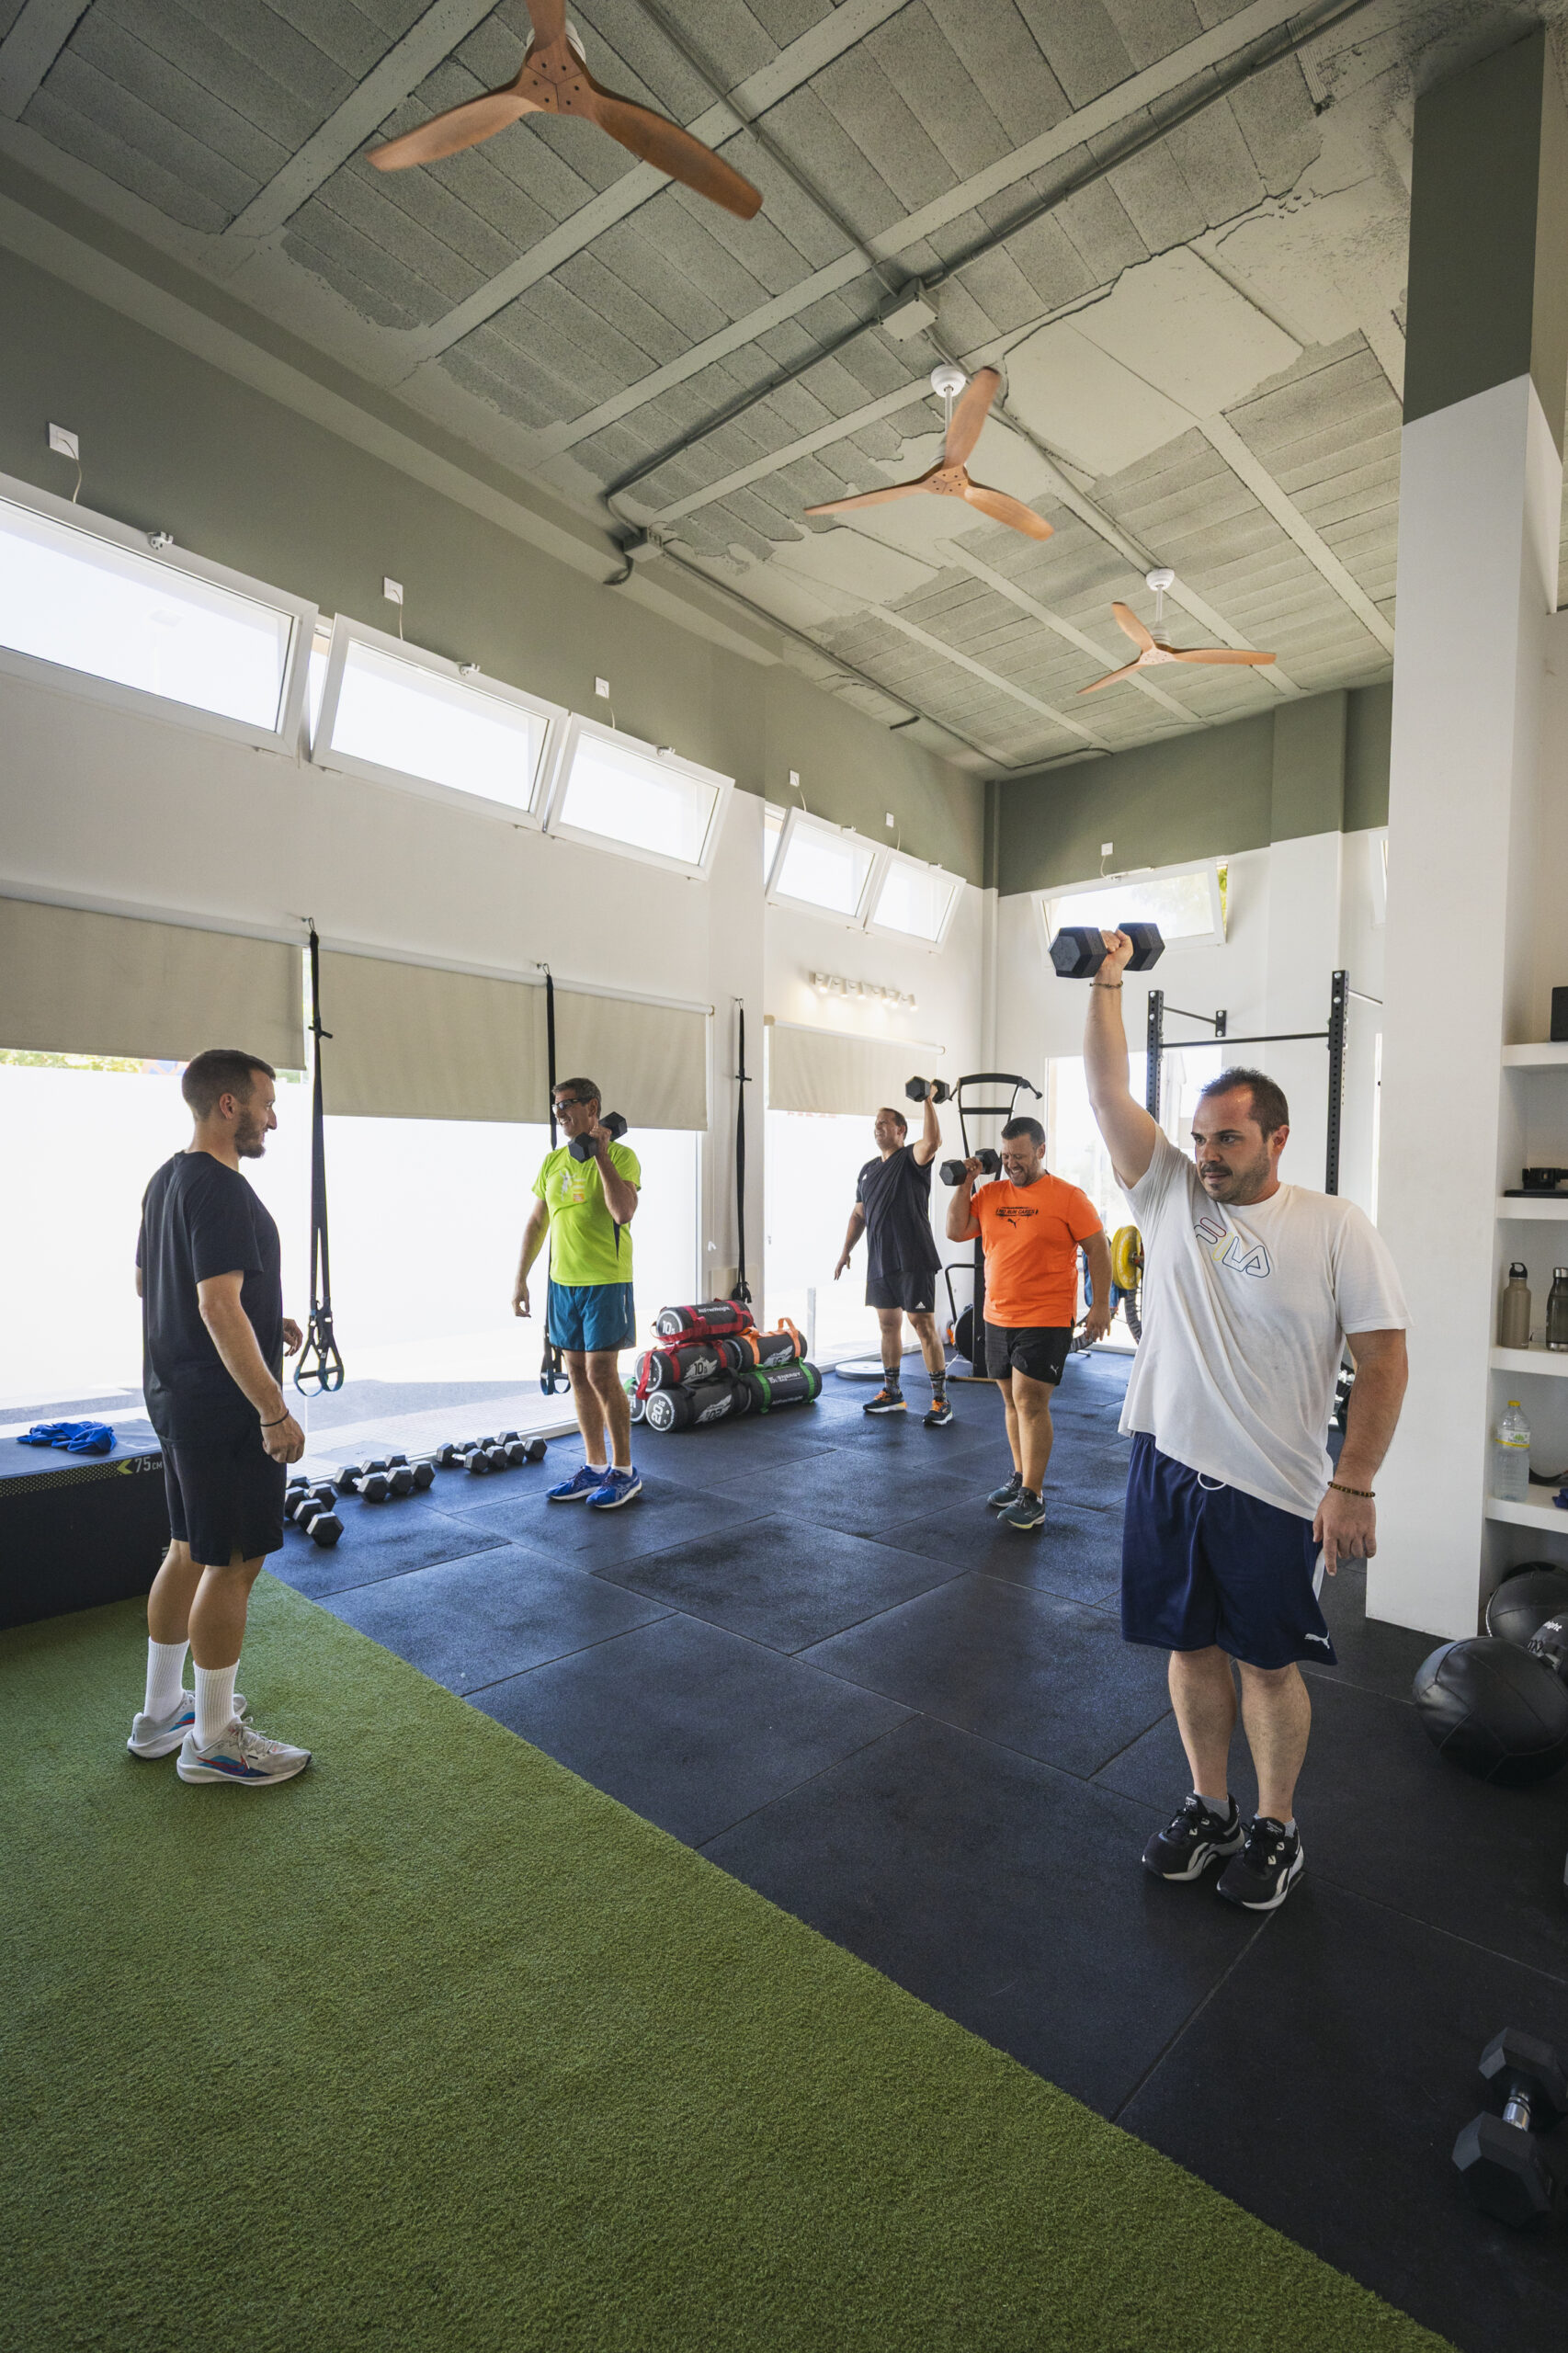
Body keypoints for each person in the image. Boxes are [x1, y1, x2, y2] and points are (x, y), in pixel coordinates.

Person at [1083, 927, 1409, 1911]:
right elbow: (1104, 1095)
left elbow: (1384, 1358)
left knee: (1266, 1665)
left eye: (1227, 1137)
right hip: (1166, 1464)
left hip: (1272, 1486)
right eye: (1198, 1134)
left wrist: (1351, 1482)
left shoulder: (1334, 1225)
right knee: (1186, 1650)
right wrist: (1106, 977)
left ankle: (1274, 1824)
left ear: (1275, 1139)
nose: (1206, 1152)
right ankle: (1207, 1804)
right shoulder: (1169, 1189)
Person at [127, 1049, 312, 1788]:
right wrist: (273, 1408)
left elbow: (153, 1281)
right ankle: (213, 1742)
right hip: (225, 1407)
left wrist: (269, 1320)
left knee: (187, 1549)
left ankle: (161, 1715)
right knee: (235, 1563)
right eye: (266, 1102)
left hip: (174, 1393)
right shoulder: (225, 1188)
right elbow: (214, 1301)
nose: (273, 1116)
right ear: (229, 1105)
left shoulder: (166, 1179)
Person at [946, 1117, 1112, 1530]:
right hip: (997, 1315)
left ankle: (1034, 1497)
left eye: (1019, 1156)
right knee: (1009, 1401)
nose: (1011, 1164)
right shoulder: (990, 1194)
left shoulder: (1069, 1198)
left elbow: (1098, 1250)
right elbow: (954, 1230)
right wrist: (965, 1181)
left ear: (1040, 1150)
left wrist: (1101, 1306)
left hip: (1047, 1316)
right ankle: (1021, 1478)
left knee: (1030, 1402)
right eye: (1005, 1157)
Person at [514, 1077, 642, 1509]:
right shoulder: (552, 1162)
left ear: (594, 1107)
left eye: (568, 1105)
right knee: (577, 1375)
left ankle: (624, 1472)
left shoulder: (622, 1156)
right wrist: (521, 1278)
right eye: (556, 1108)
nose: (561, 1113)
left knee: (602, 1373)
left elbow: (623, 1212)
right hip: (562, 1285)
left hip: (606, 1281)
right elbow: (537, 1222)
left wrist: (602, 1155)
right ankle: (594, 1465)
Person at [835, 1093, 951, 1425]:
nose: (878, 1128)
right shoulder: (868, 1170)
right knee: (888, 1325)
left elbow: (934, 1141)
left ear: (900, 1129)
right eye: (875, 1124)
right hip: (880, 1262)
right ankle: (892, 1392)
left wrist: (928, 1100)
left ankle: (941, 1400)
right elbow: (859, 1215)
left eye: (884, 1123)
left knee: (922, 1325)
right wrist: (845, 1251)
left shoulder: (911, 1159)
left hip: (913, 1258)